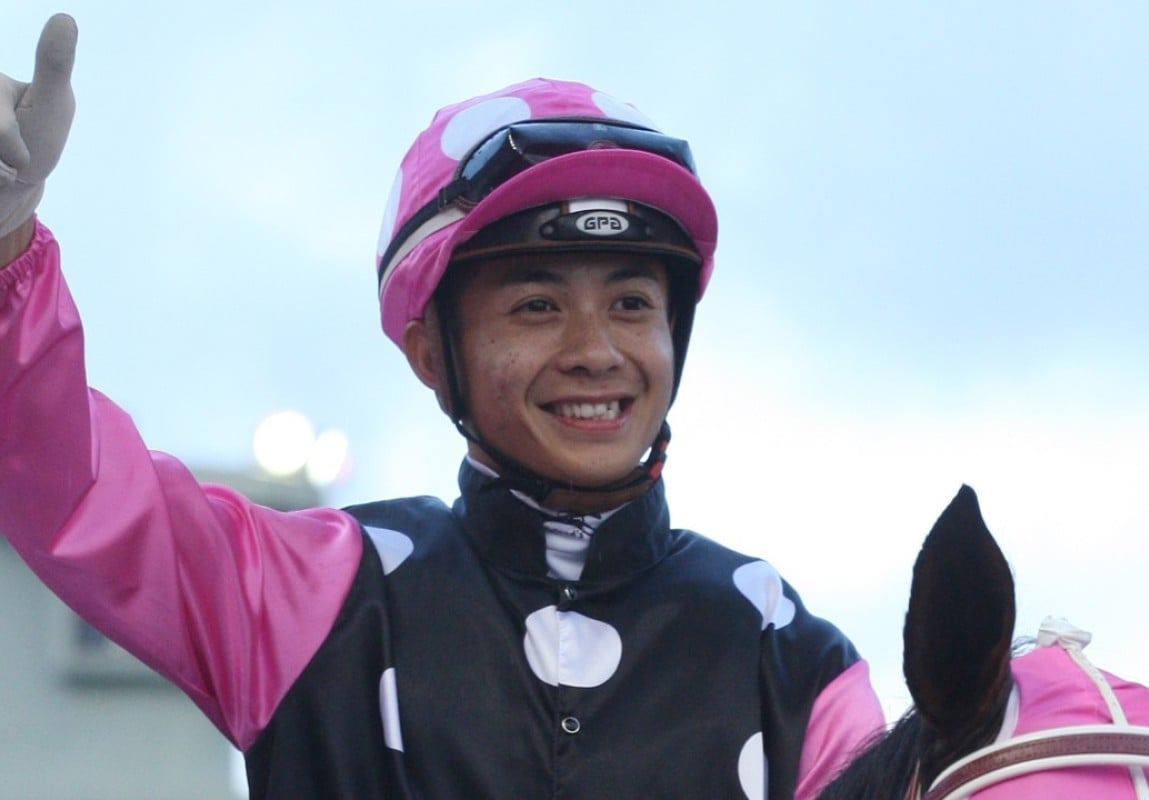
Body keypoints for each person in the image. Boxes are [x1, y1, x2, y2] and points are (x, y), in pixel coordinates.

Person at [0, 14, 884, 800]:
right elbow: (70, 488)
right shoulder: (318, 594)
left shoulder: (794, 656)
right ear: (432, 353)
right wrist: (7, 238)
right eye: (538, 306)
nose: (597, 352)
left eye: (632, 304)